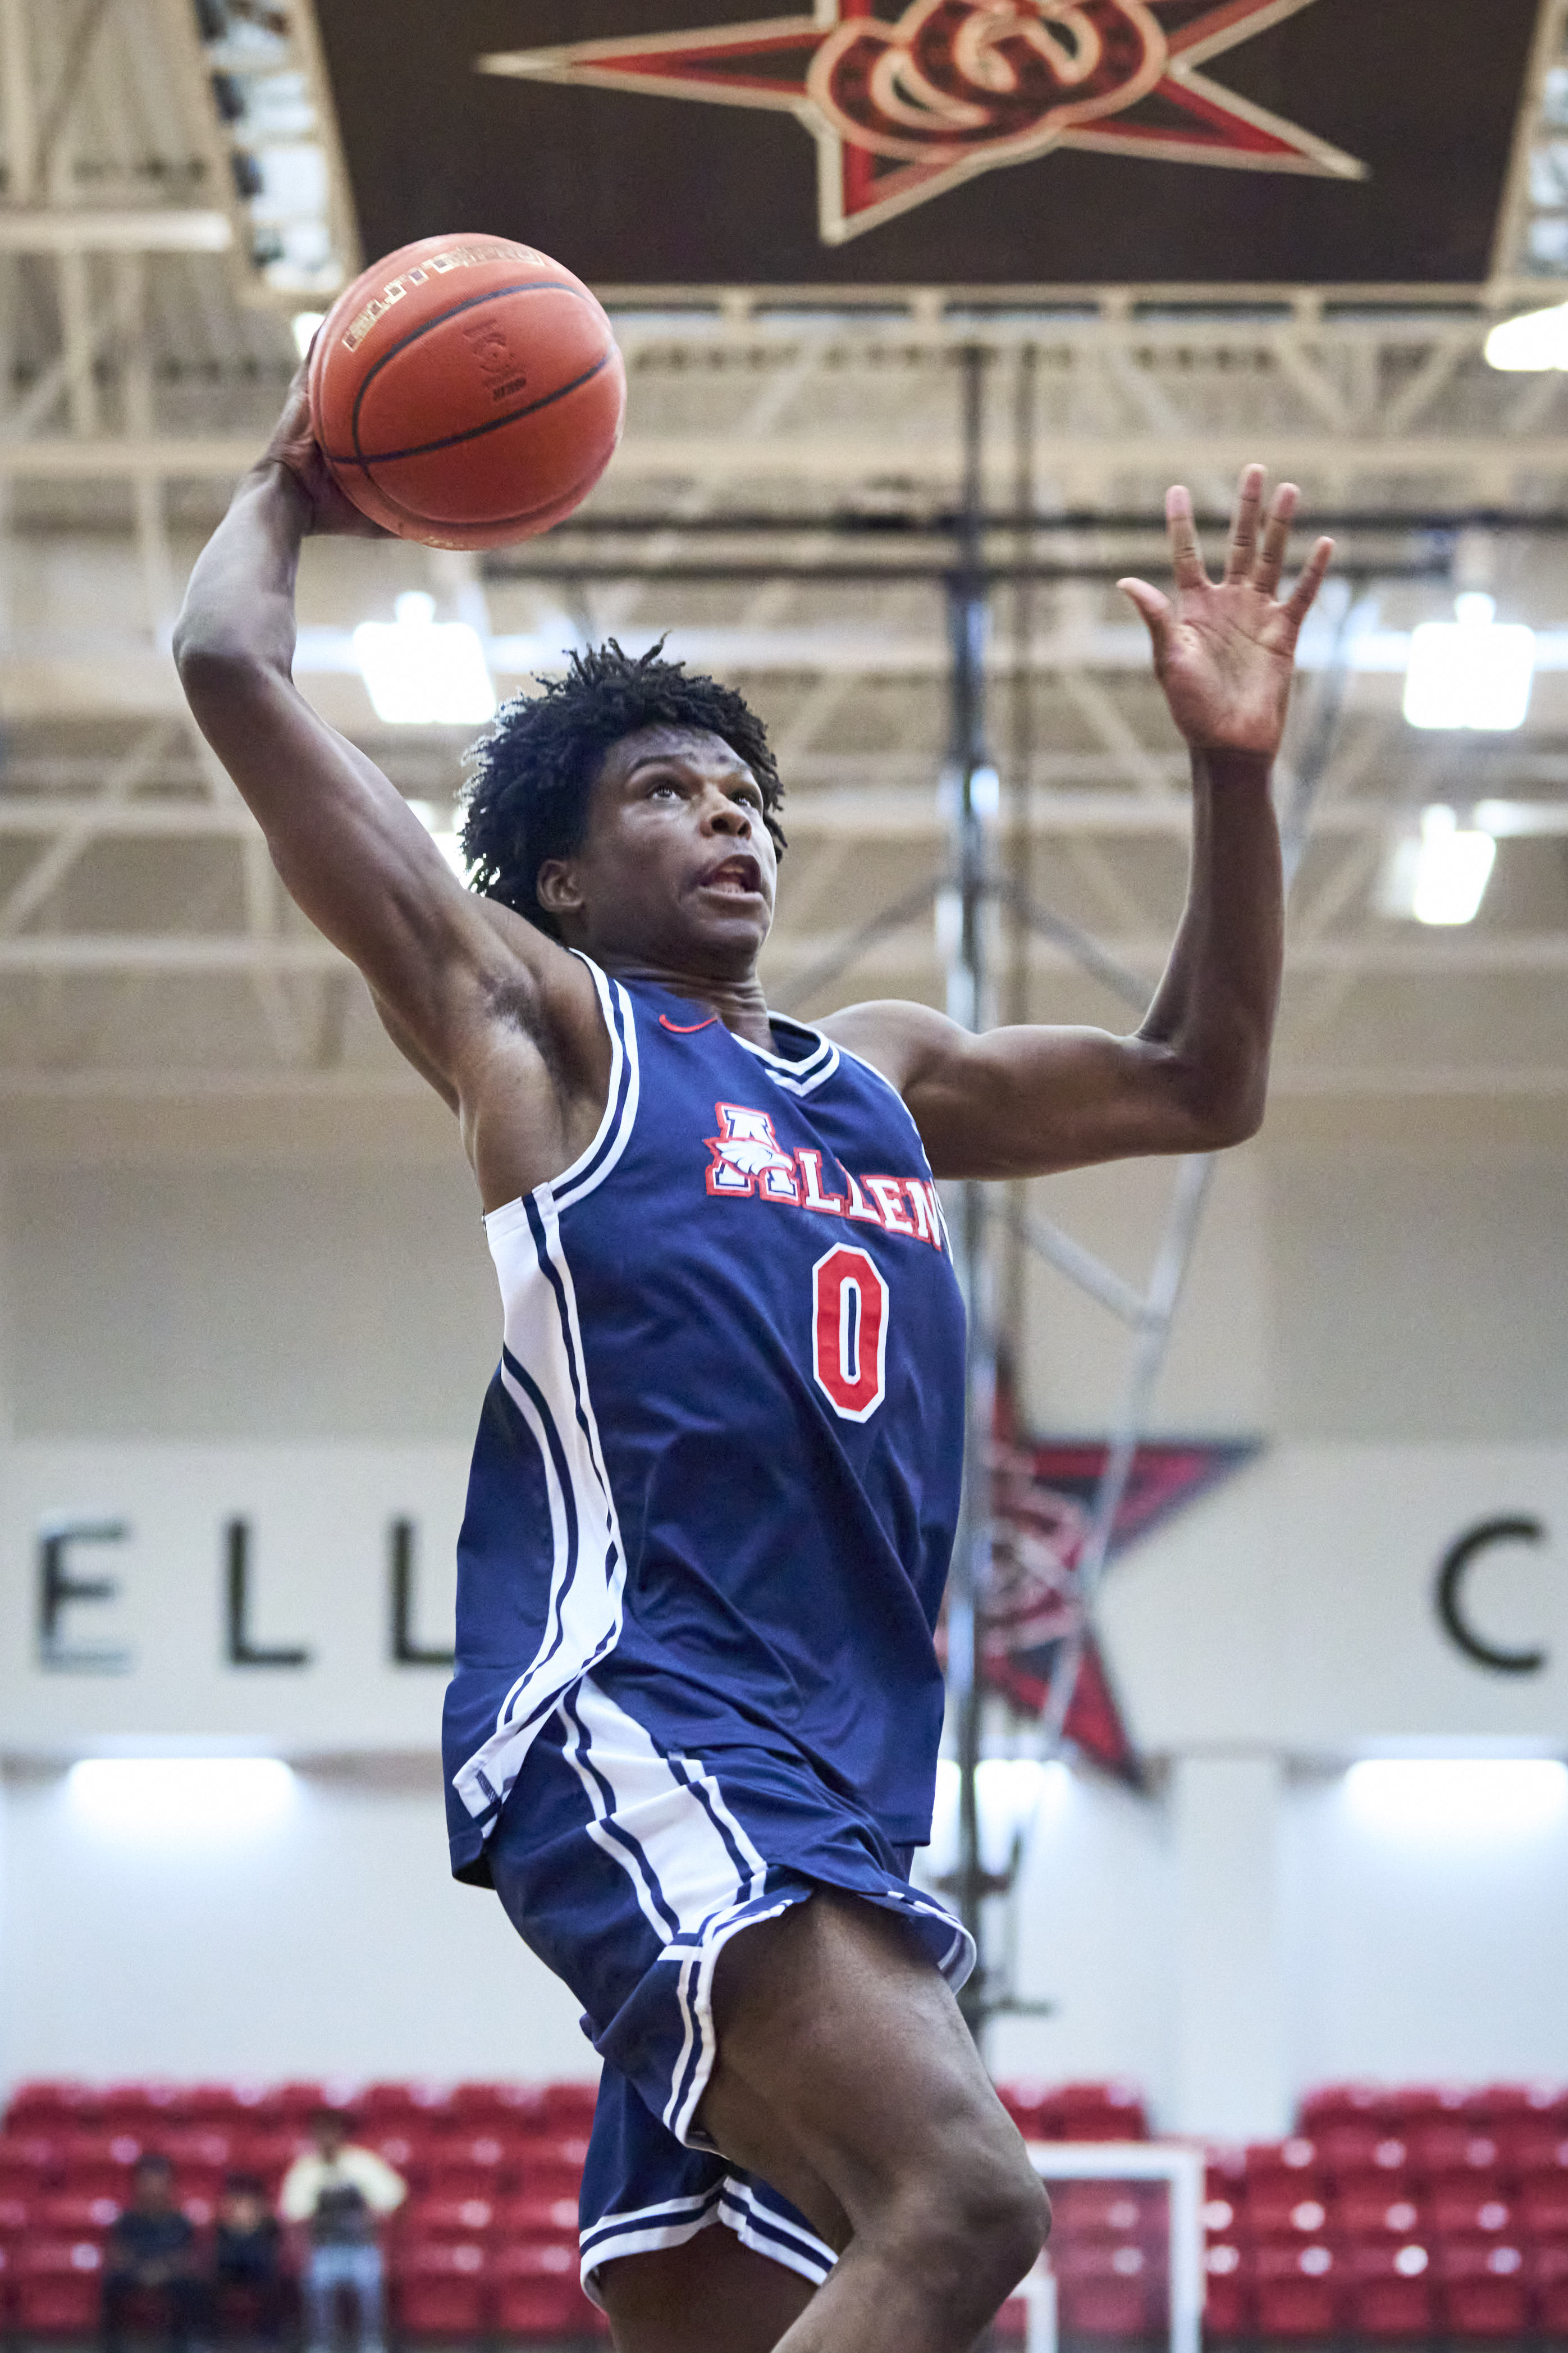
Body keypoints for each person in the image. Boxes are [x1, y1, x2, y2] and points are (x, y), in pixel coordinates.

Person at [175, 366, 1331, 2353]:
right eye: (664, 795)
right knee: (963, 2201)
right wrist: (300, 472)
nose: (727, 820)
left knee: (784, 2310)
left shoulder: (872, 1072)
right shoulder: (546, 1027)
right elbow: (226, 667)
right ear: (556, 877)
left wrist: (1230, 772)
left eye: (745, 799)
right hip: (646, 1716)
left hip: (832, 1797)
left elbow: (1199, 1082)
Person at [277, 2112, 405, 2353]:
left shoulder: (363, 2163)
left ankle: (372, 2345)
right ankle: (321, 2345)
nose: (327, 2139)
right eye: (321, 2133)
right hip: (323, 2248)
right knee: (316, 2282)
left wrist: (369, 2217)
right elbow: (293, 2215)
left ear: (342, 2134)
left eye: (332, 2132)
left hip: (362, 2247)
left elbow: (393, 2199)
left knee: (370, 2282)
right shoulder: (304, 2169)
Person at [102, 2154, 203, 2353]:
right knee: (112, 2280)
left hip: (169, 2274)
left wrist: (162, 2271)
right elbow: (119, 2255)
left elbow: (186, 2257)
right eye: (148, 2182)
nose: (153, 2188)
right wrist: (142, 2271)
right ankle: (112, 2344)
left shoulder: (180, 2222)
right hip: (134, 2272)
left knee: (190, 2284)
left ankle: (183, 2343)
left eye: (159, 2182)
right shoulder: (126, 2221)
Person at [209, 2173, 288, 2346]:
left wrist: (254, 2226)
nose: (243, 2204)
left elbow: (274, 2250)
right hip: (229, 2269)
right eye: (238, 2199)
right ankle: (213, 2340)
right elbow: (219, 2252)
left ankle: (270, 2340)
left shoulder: (270, 2223)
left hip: (259, 2270)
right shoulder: (223, 2223)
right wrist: (235, 2227)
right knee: (205, 2280)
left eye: (249, 2199)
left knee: (278, 2281)